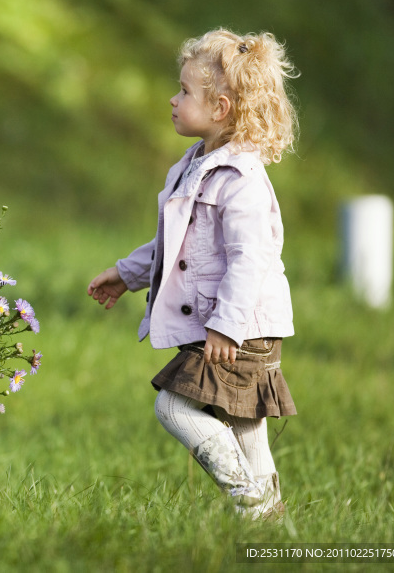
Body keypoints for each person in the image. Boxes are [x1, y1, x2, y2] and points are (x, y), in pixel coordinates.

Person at [87, 29, 298, 518]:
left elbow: (252, 258)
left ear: (220, 108)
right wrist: (126, 273)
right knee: (243, 423)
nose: (173, 99)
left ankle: (248, 500)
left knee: (174, 407)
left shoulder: (240, 179)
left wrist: (227, 323)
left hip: (239, 325)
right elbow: (175, 243)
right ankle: (270, 516)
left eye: (184, 92)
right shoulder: (197, 165)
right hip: (238, 324)